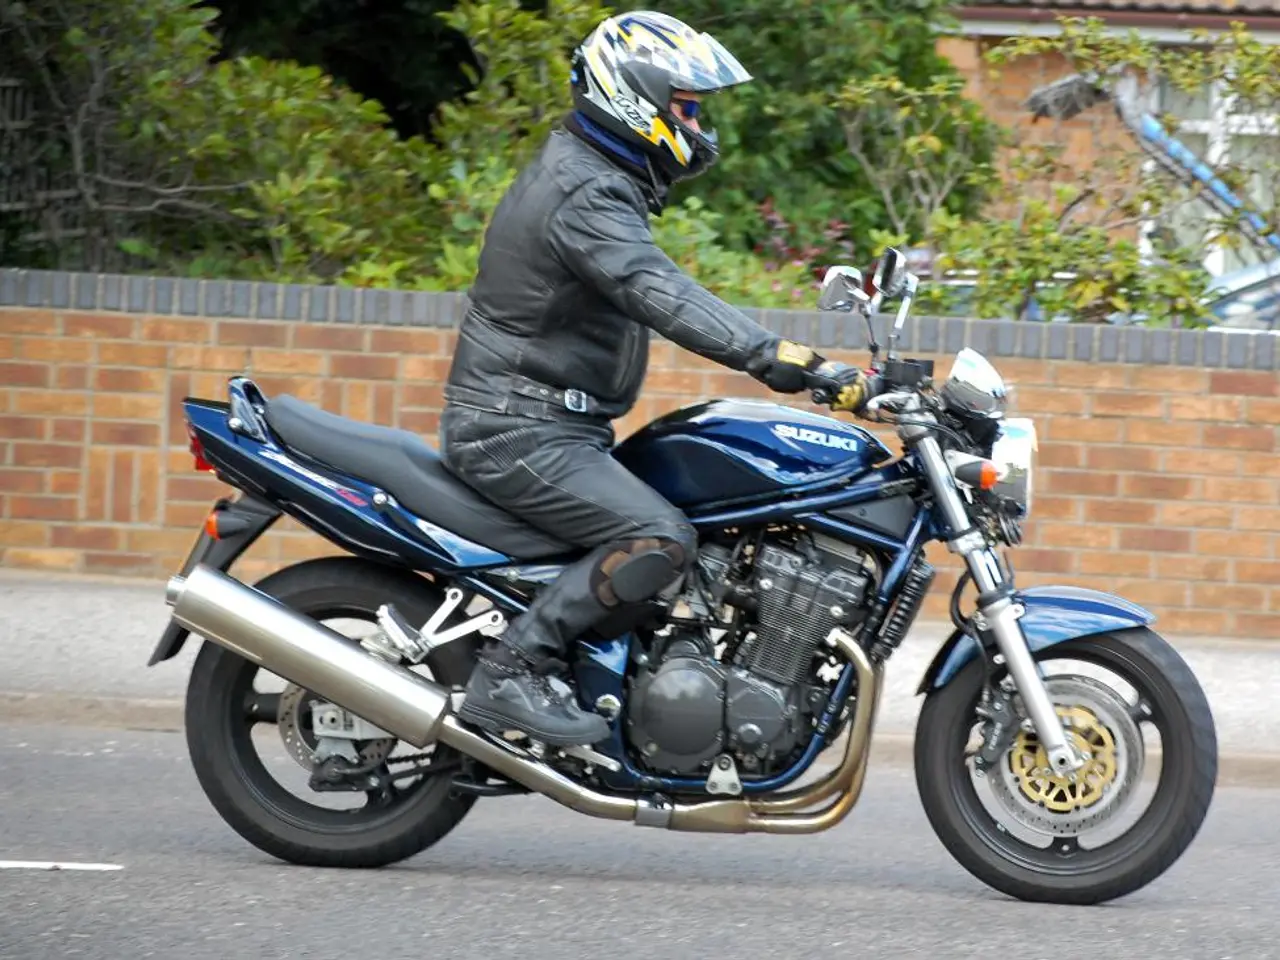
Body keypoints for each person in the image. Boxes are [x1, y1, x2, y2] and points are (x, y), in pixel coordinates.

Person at [439, 10, 880, 747]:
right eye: (687, 106)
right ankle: (511, 670)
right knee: (658, 536)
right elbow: (659, 291)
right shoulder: (583, 191)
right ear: (632, 97)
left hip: (548, 422)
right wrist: (787, 360)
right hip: (515, 430)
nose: (697, 124)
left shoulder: (593, 174)